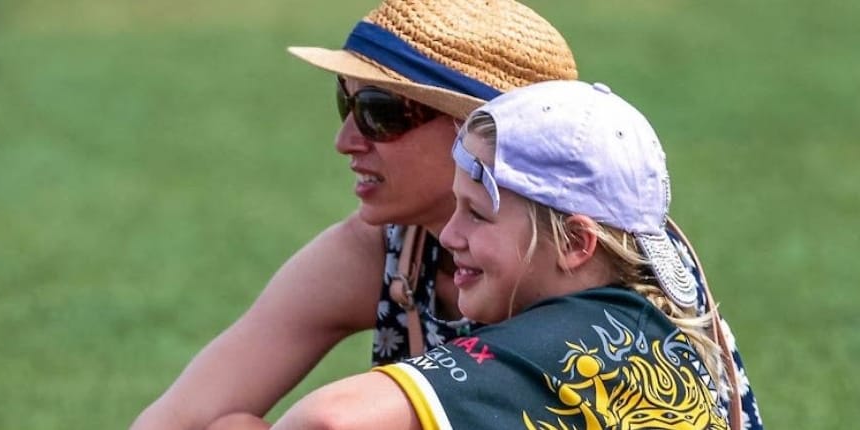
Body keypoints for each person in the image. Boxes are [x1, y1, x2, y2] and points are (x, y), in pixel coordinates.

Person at [132, 1, 763, 428]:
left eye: (381, 110)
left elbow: (331, 422)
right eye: (344, 103)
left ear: (478, 130)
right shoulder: (393, 248)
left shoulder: (610, 307)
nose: (347, 139)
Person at [261, 80, 734, 429]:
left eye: (477, 214)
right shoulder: (640, 321)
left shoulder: (564, 343)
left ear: (574, 243)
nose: (449, 235)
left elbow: (330, 421)